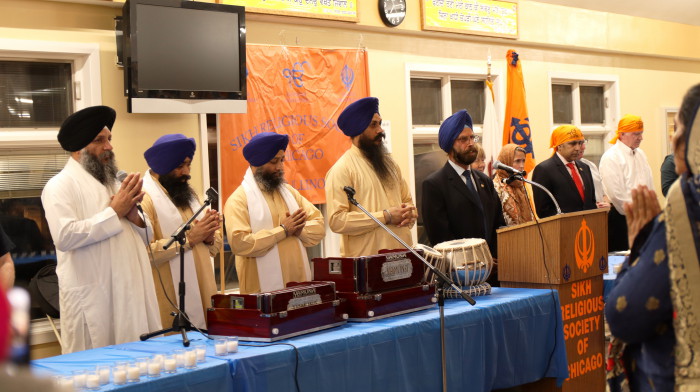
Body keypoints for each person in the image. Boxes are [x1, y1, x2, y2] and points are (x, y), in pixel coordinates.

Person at [41, 106, 161, 353]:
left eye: (109, 139)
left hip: (130, 292)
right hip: (95, 298)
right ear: (79, 147)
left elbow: (147, 236)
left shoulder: (114, 181)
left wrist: (133, 216)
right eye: (100, 140)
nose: (109, 146)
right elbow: (65, 236)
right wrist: (114, 212)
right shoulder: (59, 186)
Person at [605, 83, 700, 392]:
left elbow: (624, 313)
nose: (672, 137)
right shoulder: (611, 158)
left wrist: (641, 247)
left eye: (678, 129)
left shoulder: (688, 206)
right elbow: (621, 196)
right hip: (626, 216)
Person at [224, 132, 325, 294]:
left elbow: (319, 224)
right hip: (261, 293)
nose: (279, 167)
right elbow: (240, 243)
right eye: (273, 161)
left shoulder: (289, 193)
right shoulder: (238, 200)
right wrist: (283, 231)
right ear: (257, 163)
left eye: (282, 160)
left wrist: (300, 231)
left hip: (299, 286)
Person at [141, 134, 223, 330]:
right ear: (162, 166)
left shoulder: (188, 195)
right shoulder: (145, 199)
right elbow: (143, 254)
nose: (186, 172)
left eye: (189, 165)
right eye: (179, 166)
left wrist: (210, 238)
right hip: (169, 300)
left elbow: (213, 249)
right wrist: (190, 239)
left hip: (203, 293)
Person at [325, 97, 416, 257]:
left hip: (403, 258)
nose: (380, 130)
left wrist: (410, 214)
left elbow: (408, 202)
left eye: (379, 123)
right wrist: (385, 216)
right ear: (358, 129)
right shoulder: (342, 169)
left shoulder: (391, 165)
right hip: (368, 264)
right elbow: (337, 221)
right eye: (373, 125)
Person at [421, 109, 504, 257]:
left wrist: (495, 258)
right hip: (460, 272)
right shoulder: (435, 185)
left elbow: (498, 225)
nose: (471, 143)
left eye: (472, 137)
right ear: (450, 145)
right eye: (463, 139)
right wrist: (474, 264)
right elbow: (440, 238)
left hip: (493, 268)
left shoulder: (484, 180)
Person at [599, 114, 655, 251]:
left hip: (644, 218)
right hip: (622, 219)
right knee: (623, 263)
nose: (641, 138)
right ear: (622, 134)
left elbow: (650, 185)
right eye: (636, 134)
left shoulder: (641, 154)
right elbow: (616, 195)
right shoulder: (611, 157)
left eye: (641, 133)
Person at [531, 125, 597, 219]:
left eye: (580, 143)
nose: (578, 148)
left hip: (588, 229)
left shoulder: (585, 167)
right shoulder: (544, 170)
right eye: (573, 143)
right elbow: (544, 211)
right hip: (563, 229)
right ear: (559, 146)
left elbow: (591, 202)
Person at [493, 144, 534, 226]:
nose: (522, 166)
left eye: (523, 161)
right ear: (506, 161)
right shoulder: (495, 187)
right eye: (517, 161)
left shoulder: (520, 185)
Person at [578, 140, 610, 208]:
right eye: (579, 143)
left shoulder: (590, 165)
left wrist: (606, 203)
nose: (583, 147)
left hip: (599, 213)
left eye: (583, 142)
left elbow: (603, 192)